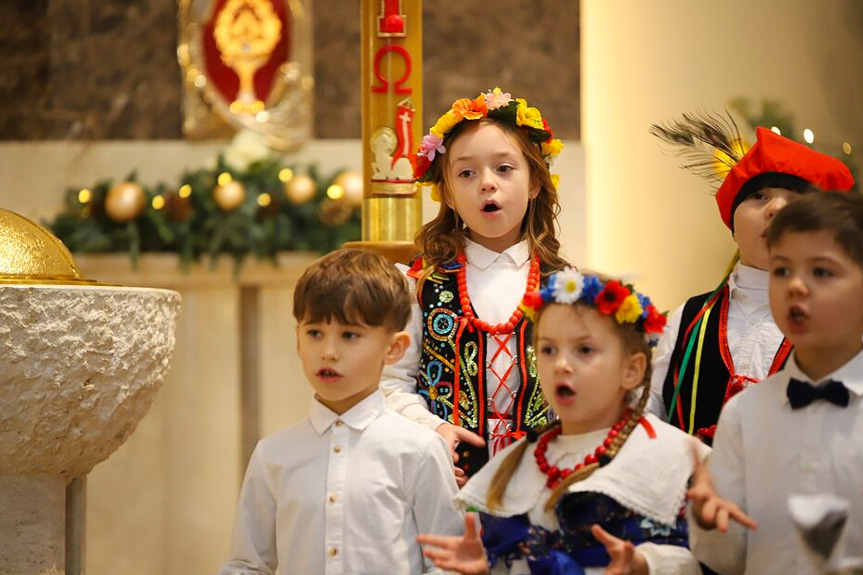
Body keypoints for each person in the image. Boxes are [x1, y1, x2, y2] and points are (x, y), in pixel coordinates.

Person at [419, 268, 708, 574]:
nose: (561, 364)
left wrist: (644, 565)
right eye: (547, 349)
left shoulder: (673, 456)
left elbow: (715, 561)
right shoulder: (516, 461)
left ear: (632, 369)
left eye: (584, 349)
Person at [219, 249, 463, 575]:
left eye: (350, 335)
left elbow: (447, 566)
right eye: (315, 333)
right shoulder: (273, 456)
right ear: (297, 340)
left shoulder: (420, 451)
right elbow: (246, 565)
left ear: (394, 348)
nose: (329, 352)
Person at [381, 87, 569, 482]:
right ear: (447, 193)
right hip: (443, 478)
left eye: (504, 168)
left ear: (534, 182)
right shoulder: (418, 283)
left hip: (538, 482)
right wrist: (433, 431)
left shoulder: (567, 287)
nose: (487, 183)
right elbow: (389, 383)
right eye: (467, 172)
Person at [687, 191, 863, 574]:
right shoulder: (743, 414)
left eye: (821, 271)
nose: (796, 286)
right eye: (782, 270)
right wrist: (707, 519)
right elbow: (728, 561)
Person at [648, 120, 855, 443]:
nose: (775, 209)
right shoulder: (689, 318)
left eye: (794, 201)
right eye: (759, 196)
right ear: (732, 222)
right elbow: (650, 415)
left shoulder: (838, 325)